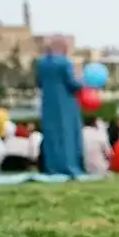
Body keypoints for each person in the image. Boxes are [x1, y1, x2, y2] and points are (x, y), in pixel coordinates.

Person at [36, 36, 85, 176]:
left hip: (48, 104)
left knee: (52, 136)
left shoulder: (42, 64)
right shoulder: (64, 63)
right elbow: (73, 84)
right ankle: (69, 166)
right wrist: (82, 81)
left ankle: (52, 166)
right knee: (67, 134)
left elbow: (39, 82)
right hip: (66, 104)